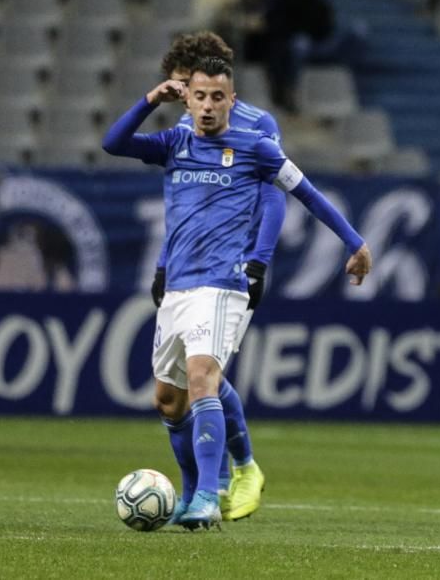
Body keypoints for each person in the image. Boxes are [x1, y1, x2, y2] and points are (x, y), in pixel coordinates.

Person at [103, 56, 372, 529]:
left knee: (203, 377)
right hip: (178, 289)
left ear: (232, 100)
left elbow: (307, 193)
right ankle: (190, 495)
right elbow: (113, 143)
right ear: (187, 98)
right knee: (167, 400)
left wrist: (355, 243)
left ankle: (210, 495)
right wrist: (150, 100)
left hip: (221, 284)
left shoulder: (256, 148)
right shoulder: (174, 143)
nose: (207, 106)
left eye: (217, 97)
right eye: (200, 96)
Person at [152, 32, 278, 521]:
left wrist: (259, 260)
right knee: (182, 386)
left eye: (194, 86)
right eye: (185, 88)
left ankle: (239, 469)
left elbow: (273, 194)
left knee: (205, 374)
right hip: (186, 269)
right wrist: (164, 264)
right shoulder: (188, 125)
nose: (188, 98)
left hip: (231, 268)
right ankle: (219, 475)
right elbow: (184, 208)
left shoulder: (256, 125)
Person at [266, 0, 364, 112]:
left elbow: (325, 25)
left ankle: (351, 80)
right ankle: (291, 89)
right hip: (293, 47)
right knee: (300, 43)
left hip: (319, 43)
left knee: (357, 30)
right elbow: (279, 27)